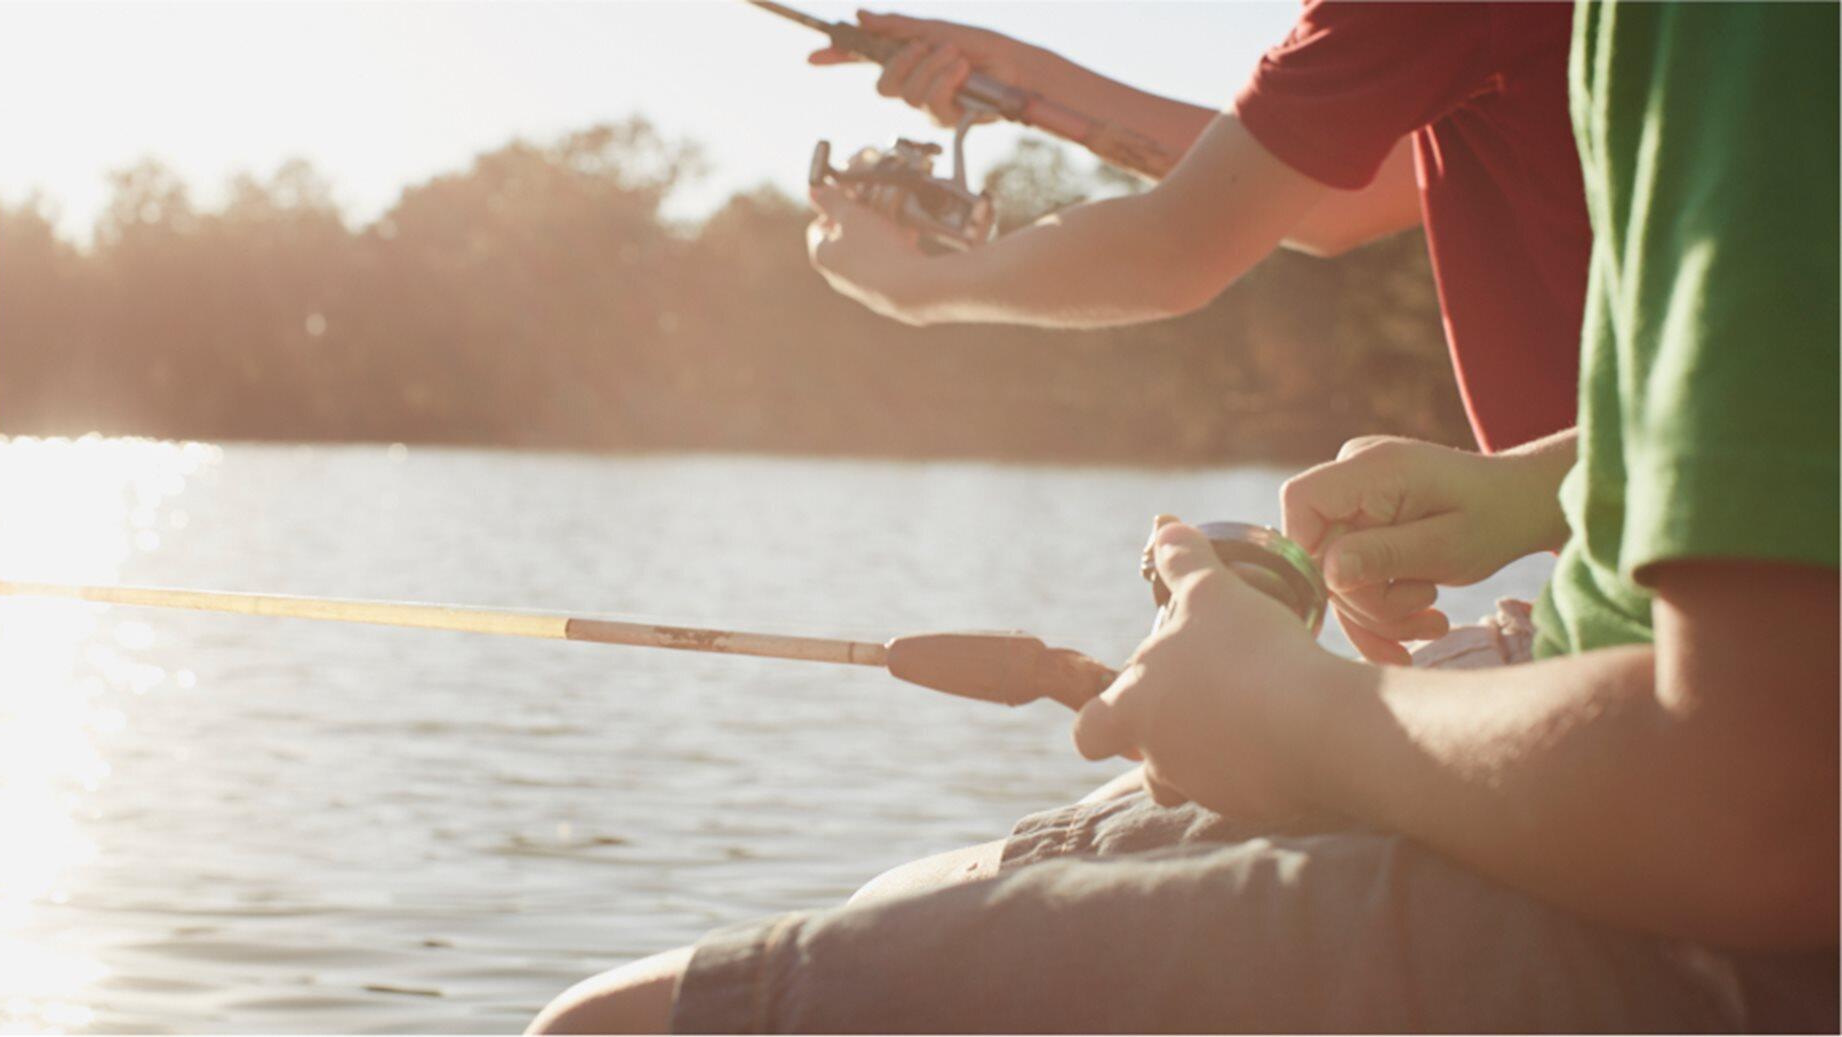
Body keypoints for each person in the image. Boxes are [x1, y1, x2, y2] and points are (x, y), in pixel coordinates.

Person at [528, 2, 1838, 1031]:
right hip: (1613, 631)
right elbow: (1335, 185)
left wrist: (1291, 715)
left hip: (1683, 806)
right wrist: (1541, 484)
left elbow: (1764, 788)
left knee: (614, 1028)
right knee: (892, 907)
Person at [804, 2, 1593, 663]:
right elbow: (1336, 196)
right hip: (1648, 590)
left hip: (1655, 624)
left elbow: (1173, 251)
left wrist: (918, 288)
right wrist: (1031, 84)